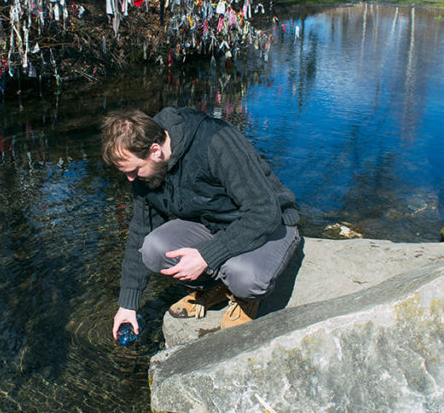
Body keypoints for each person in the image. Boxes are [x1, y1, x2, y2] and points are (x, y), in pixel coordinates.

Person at [101, 107, 301, 340]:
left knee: (244, 277)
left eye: (134, 170)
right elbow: (140, 229)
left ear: (155, 150)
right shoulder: (146, 165)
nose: (131, 179)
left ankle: (243, 298)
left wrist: (207, 256)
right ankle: (213, 287)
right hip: (212, 224)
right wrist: (128, 304)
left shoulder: (215, 141)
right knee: (153, 248)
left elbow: (264, 212)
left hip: (270, 223)